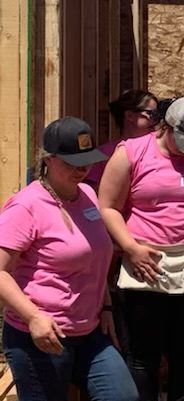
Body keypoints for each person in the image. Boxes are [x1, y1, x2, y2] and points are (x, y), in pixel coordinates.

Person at [98, 96, 184, 401]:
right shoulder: (131, 153)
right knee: (144, 355)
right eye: (182, 140)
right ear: (165, 127)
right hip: (146, 263)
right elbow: (107, 207)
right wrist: (131, 248)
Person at [0, 117, 138, 401]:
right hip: (40, 335)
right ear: (49, 159)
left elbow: (95, 259)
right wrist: (33, 317)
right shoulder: (26, 206)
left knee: (122, 396)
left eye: (86, 161)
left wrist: (107, 307)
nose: (81, 169)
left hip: (89, 330)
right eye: (72, 163)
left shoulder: (87, 193)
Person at [85, 89, 158, 187]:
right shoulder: (102, 154)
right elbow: (90, 191)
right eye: (152, 114)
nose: (157, 120)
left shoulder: (160, 149)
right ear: (130, 116)